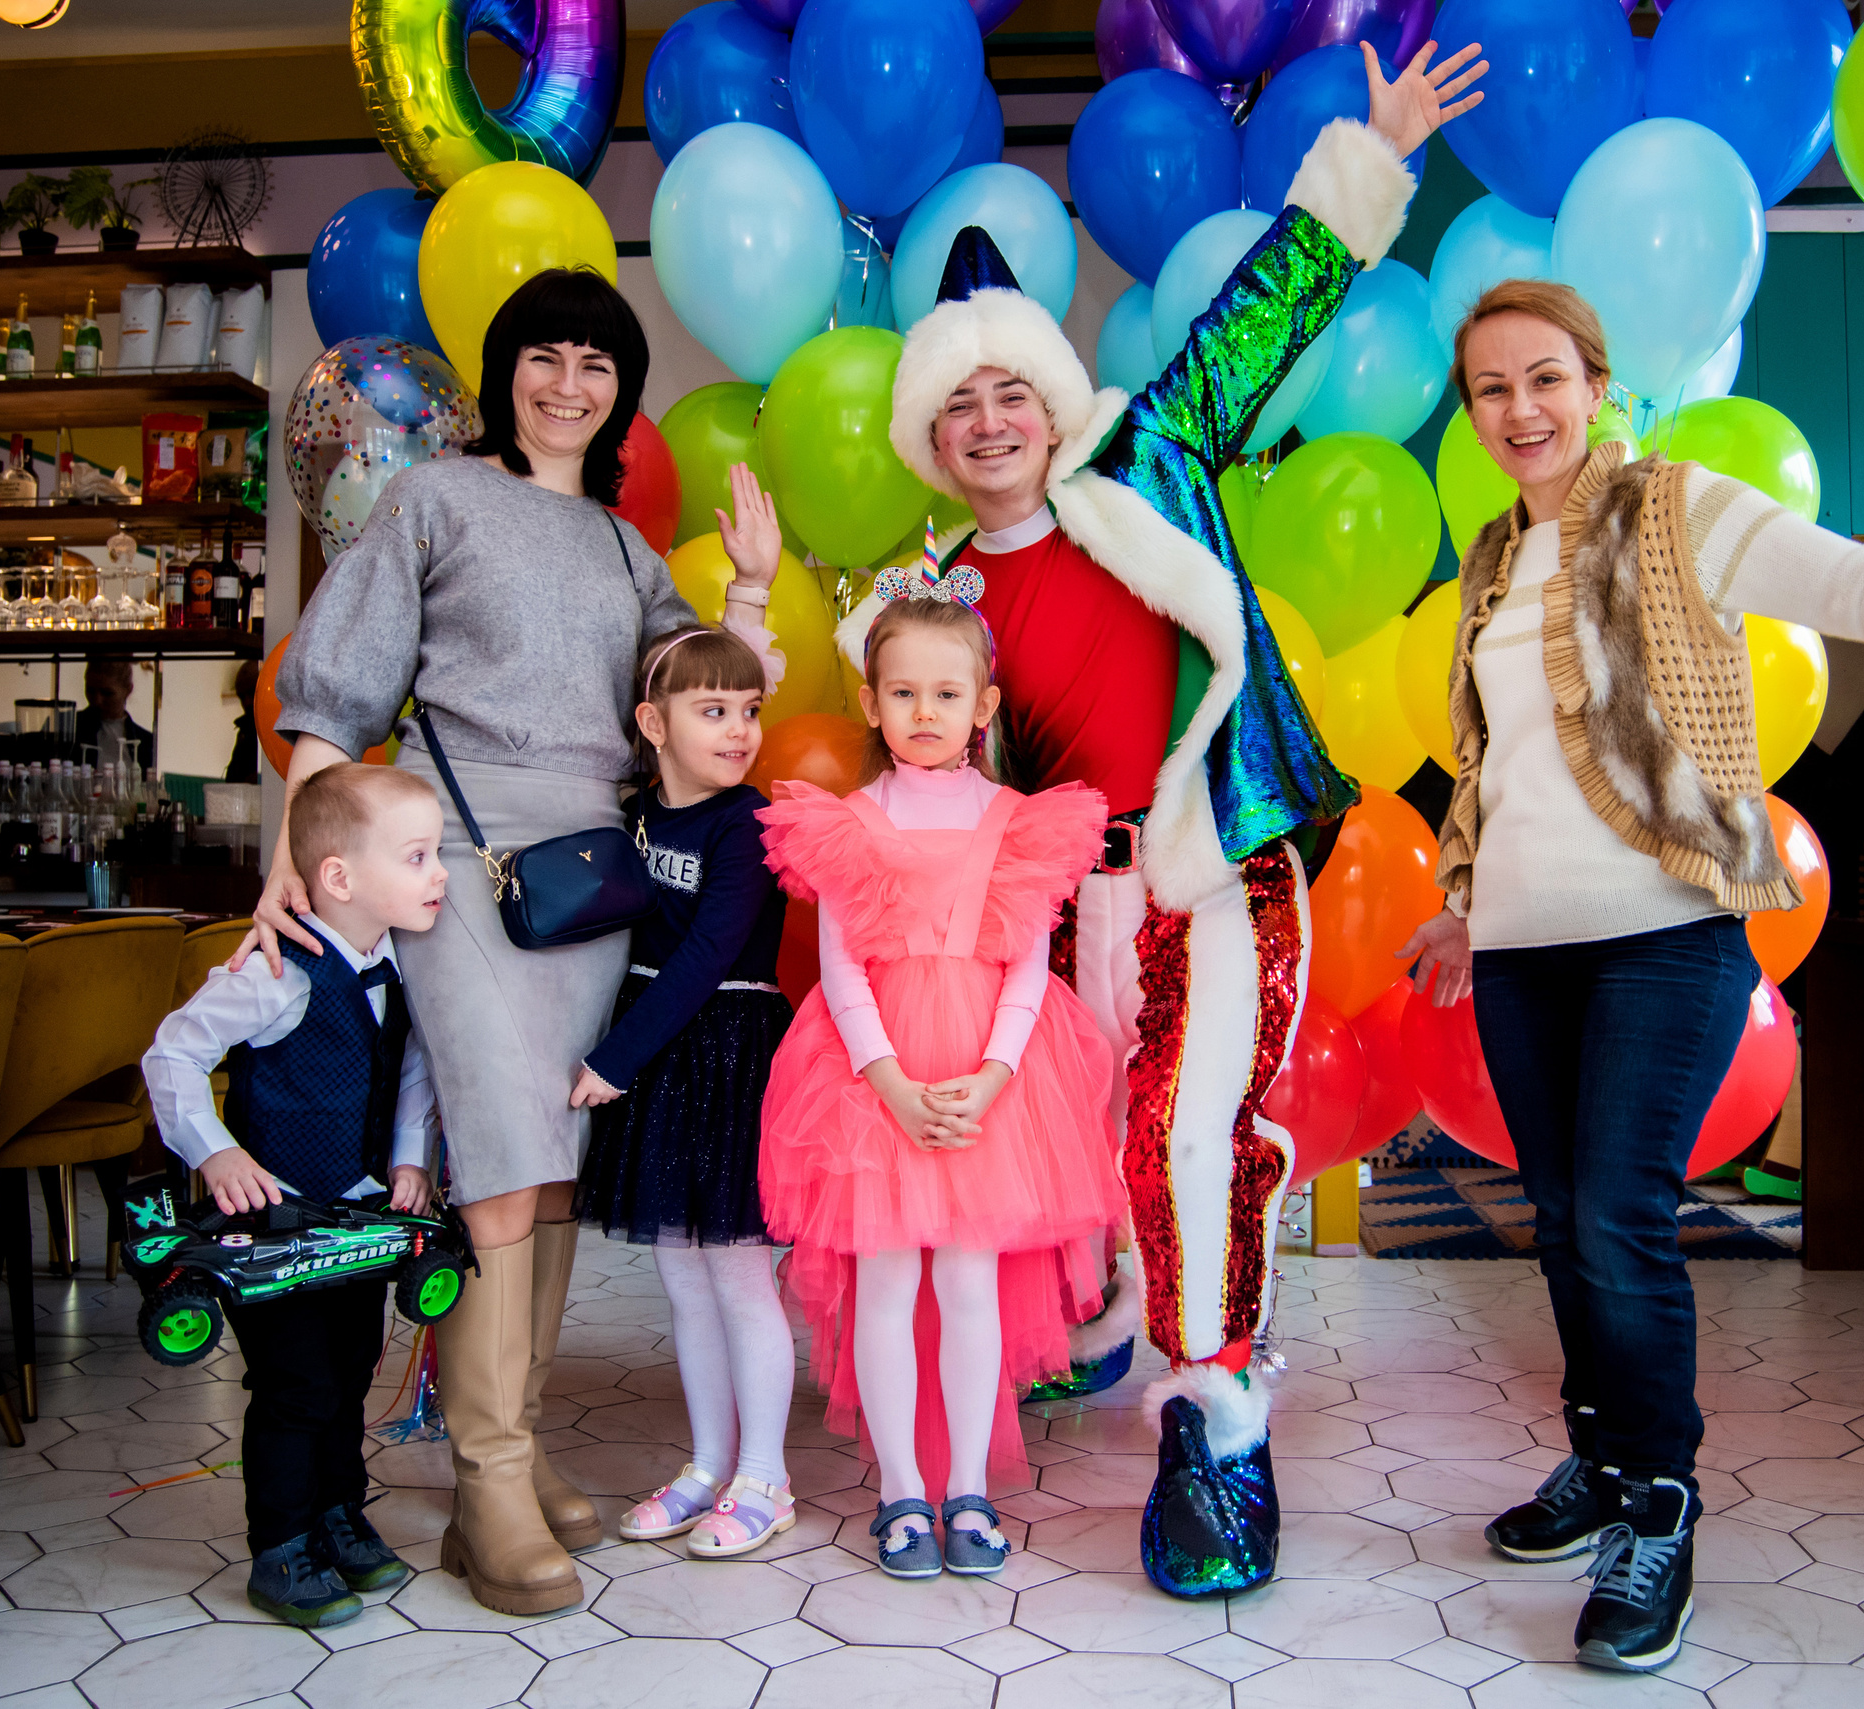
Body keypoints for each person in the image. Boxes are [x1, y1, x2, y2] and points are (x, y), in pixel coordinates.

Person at [1394, 280, 1864, 1674]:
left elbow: (1845, 577)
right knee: (1556, 1217)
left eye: (1544, 378)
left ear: (1594, 384)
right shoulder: (1488, 557)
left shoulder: (1672, 509)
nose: (1519, 410)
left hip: (1669, 930)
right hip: (1524, 954)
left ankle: (1659, 1502)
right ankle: (1600, 1463)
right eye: (1489, 389)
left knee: (1618, 1212)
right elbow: (1499, 769)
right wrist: (1461, 905)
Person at [862, 40, 1485, 1594]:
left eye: (1015, 387)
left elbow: (1260, 316)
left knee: (1187, 1130)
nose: (993, 419)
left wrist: (1373, 158)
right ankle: (1109, 1328)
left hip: (1206, 868)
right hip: (1062, 910)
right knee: (1082, 1148)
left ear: (1054, 400)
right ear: (930, 437)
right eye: (962, 403)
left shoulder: (1146, 455)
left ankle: (1217, 1431)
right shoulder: (933, 600)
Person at [248, 268, 784, 1617]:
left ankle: (520, 1442)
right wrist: (288, 868)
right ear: (507, 375)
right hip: (454, 867)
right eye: (544, 355)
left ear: (620, 391)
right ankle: (484, 1480)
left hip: (587, 890)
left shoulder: (627, 552)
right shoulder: (433, 499)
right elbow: (340, 682)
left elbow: (704, 703)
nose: (568, 381)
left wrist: (761, 593)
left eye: (596, 361)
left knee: (545, 1164)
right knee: (493, 1163)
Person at [757, 589, 1125, 1580]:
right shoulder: (848, 821)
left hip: (990, 1076)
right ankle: (901, 1492)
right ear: (873, 703)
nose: (925, 709)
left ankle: (967, 1484)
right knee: (886, 1279)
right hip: (875, 1077)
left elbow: (1027, 966)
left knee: (968, 1280)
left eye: (946, 691)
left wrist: (994, 1075)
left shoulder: (1017, 821)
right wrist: (892, 1086)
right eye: (904, 690)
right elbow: (840, 971)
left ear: (984, 703)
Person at [140, 762, 448, 1628]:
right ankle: (280, 1545)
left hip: (355, 1219)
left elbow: (412, 1067)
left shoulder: (397, 963)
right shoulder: (279, 970)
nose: (439, 874)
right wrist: (218, 1150)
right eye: (419, 856)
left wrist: (408, 1156)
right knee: (294, 1384)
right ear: (341, 877)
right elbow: (171, 1053)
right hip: (269, 1231)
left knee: (349, 1373)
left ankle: (338, 1516)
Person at [570, 598, 798, 1560]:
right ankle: (707, 1465)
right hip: (664, 1056)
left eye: (749, 709)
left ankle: (767, 1478)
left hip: (725, 1050)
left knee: (742, 1278)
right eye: (714, 711)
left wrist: (612, 1060)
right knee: (683, 1278)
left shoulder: (749, 825)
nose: (740, 729)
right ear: (653, 723)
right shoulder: (635, 815)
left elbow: (707, 954)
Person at [76, 658, 155, 776]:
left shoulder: (147, 743)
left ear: (128, 690)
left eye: (107, 693)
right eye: (90, 691)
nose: (97, 700)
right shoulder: (65, 729)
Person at [225, 660, 262, 784]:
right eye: (241, 697)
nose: (247, 702)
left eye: (252, 693)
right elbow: (232, 779)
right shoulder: (245, 730)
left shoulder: (278, 729)